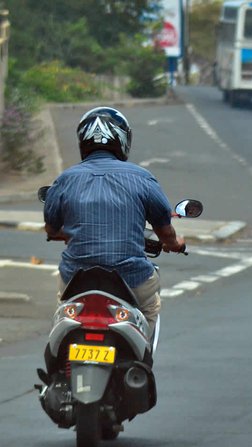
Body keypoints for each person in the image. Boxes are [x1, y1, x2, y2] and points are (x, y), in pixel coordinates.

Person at [43, 106, 185, 339]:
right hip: (132, 276)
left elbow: (52, 228)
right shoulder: (142, 178)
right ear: (123, 140)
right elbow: (165, 230)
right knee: (150, 307)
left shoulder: (65, 180)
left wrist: (68, 232)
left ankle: (56, 367)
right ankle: (141, 363)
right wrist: (175, 243)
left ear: (83, 141)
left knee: (63, 314)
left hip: (75, 277)